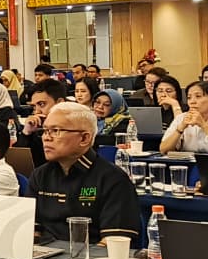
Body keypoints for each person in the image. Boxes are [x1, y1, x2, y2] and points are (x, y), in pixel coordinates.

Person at [30, 102, 142, 245]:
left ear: (84, 138)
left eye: (56, 130)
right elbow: (32, 231)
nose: (46, 138)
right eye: (45, 131)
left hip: (92, 255)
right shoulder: (40, 175)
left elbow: (114, 240)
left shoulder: (113, 179)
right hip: (46, 253)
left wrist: (81, 256)